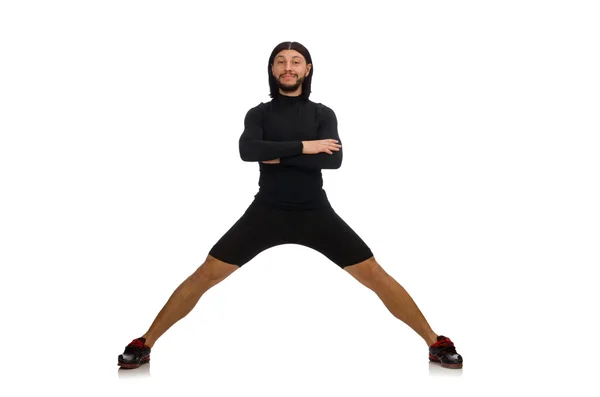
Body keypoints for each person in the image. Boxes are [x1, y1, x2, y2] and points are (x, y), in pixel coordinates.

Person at [117, 41, 463, 370]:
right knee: (206, 272)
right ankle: (144, 343)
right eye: (281, 61)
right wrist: (305, 147)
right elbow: (248, 152)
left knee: (374, 274)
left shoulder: (322, 113)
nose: (288, 67)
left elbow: (333, 161)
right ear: (272, 68)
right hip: (266, 212)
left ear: (307, 69)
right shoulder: (259, 113)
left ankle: (436, 342)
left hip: (315, 213)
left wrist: (277, 153)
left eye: (296, 61)